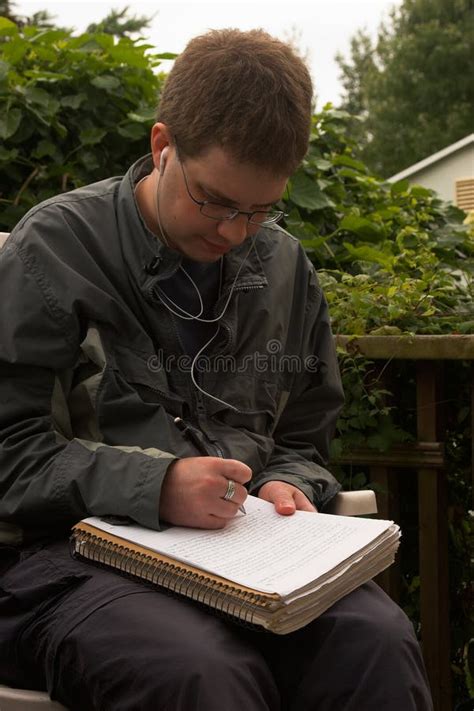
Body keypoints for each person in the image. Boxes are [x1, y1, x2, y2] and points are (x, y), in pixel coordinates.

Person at [0, 28, 432, 711]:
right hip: (71, 563)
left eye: (258, 210)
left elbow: (305, 433)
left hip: (250, 561)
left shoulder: (286, 267)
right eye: (213, 199)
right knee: (199, 672)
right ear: (162, 144)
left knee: (376, 639)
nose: (233, 230)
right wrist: (157, 483)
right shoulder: (52, 249)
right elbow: (11, 453)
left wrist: (291, 481)